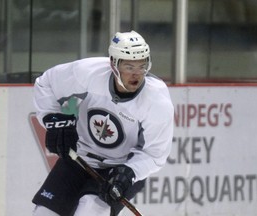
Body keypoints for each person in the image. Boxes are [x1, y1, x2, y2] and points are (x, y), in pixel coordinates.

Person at [32, 30, 174, 216]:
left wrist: (128, 173)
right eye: (129, 67)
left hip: (119, 169)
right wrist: (55, 120)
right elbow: (46, 84)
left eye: (142, 66)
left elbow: (155, 155)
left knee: (89, 210)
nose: (137, 75)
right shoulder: (88, 73)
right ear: (113, 64)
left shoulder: (156, 101)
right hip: (78, 158)